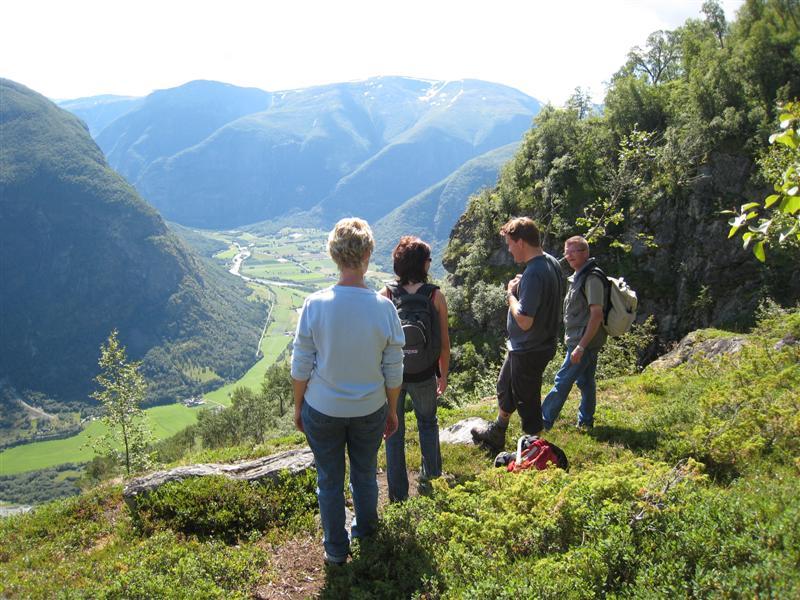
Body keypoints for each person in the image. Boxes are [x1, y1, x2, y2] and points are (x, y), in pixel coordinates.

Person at [291, 217, 404, 565]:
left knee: (329, 480)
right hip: (370, 409)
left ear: (334, 255)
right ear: (368, 255)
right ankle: (367, 539)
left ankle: (336, 551)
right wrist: (391, 409)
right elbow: (393, 368)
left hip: (322, 409)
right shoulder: (384, 308)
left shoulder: (315, 304)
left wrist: (298, 407)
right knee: (365, 475)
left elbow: (301, 365)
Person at [472, 217, 563, 453]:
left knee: (527, 400)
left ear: (520, 242)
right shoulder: (551, 263)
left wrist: (511, 294)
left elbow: (524, 320)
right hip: (534, 344)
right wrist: (525, 286)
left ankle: (534, 451)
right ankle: (497, 431)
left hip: (530, 348)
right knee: (506, 385)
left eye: (510, 244)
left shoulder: (534, 272)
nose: (509, 250)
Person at [382, 236, 450, 502]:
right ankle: (431, 481)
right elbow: (444, 343)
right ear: (423, 264)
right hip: (424, 374)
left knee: (393, 432)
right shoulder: (435, 295)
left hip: (393, 377)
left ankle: (398, 496)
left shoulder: (386, 295)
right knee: (428, 424)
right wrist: (443, 375)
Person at [542, 235, 607, 430]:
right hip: (581, 340)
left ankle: (543, 421)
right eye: (566, 252)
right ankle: (586, 421)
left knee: (562, 381)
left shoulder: (591, 278)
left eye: (573, 251)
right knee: (585, 382)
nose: (568, 256)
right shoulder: (578, 276)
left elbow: (596, 315)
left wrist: (581, 346)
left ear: (585, 253)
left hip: (583, 341)